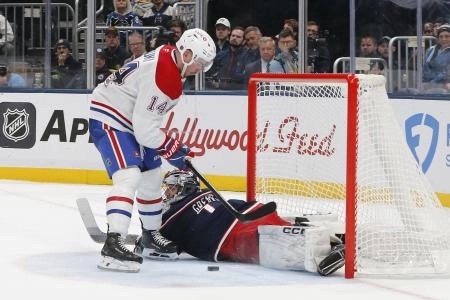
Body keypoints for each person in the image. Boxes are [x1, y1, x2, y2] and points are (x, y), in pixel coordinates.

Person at [89, 28, 216, 273]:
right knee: (129, 176)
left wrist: (171, 148)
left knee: (151, 175)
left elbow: (146, 123)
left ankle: (149, 237)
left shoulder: (171, 59)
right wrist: (173, 148)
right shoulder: (166, 75)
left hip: (130, 116)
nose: (201, 69)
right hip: (110, 116)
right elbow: (145, 130)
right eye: (200, 62)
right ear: (187, 54)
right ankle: (112, 245)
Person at [150, 170, 345, 276]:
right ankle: (333, 240)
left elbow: (165, 248)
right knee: (274, 233)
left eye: (172, 189)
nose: (167, 193)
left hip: (231, 232)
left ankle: (327, 250)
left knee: (273, 243)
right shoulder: (203, 195)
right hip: (247, 215)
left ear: (185, 188)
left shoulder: (169, 221)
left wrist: (148, 235)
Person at [423, 24, 450, 91]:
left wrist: (433, 82)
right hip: (428, 84)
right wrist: (424, 82)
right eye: (441, 37)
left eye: (447, 36)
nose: (444, 39)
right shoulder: (430, 50)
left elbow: (446, 72)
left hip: (444, 85)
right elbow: (425, 67)